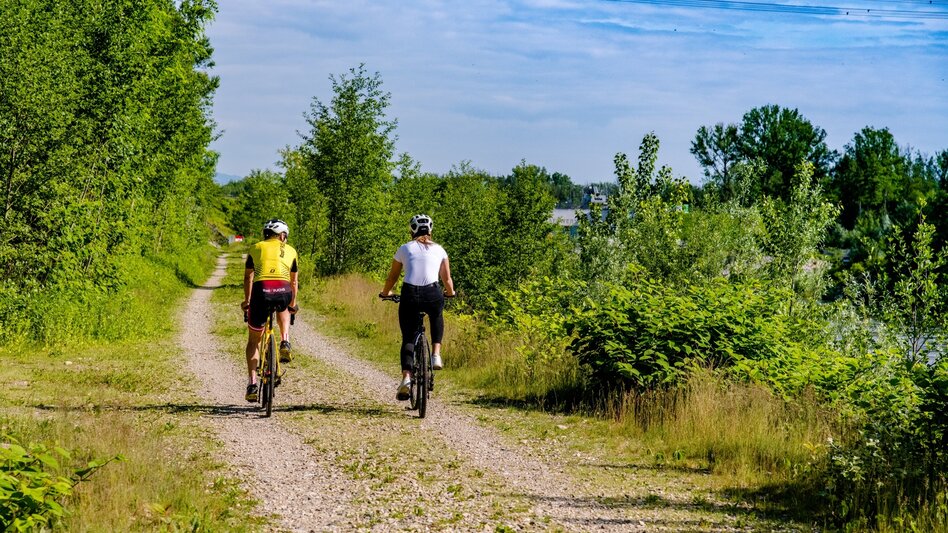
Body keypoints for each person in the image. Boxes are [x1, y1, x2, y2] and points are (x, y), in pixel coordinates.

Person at [379, 214, 456, 401]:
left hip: (410, 295)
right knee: (436, 315)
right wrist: (450, 292)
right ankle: (436, 354)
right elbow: (446, 279)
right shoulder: (440, 250)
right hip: (432, 292)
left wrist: (385, 293)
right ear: (430, 230)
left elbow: (392, 277)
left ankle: (406, 378)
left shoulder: (404, 248)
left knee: (408, 336)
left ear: (412, 230)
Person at [241, 219, 299, 402]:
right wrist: (293, 304)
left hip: (261, 291)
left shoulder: (255, 248)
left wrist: (247, 302)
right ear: (282, 236)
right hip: (283, 291)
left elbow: (248, 278)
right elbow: (294, 281)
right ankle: (285, 341)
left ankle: (252, 383)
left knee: (254, 340)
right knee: (284, 305)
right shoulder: (291, 250)